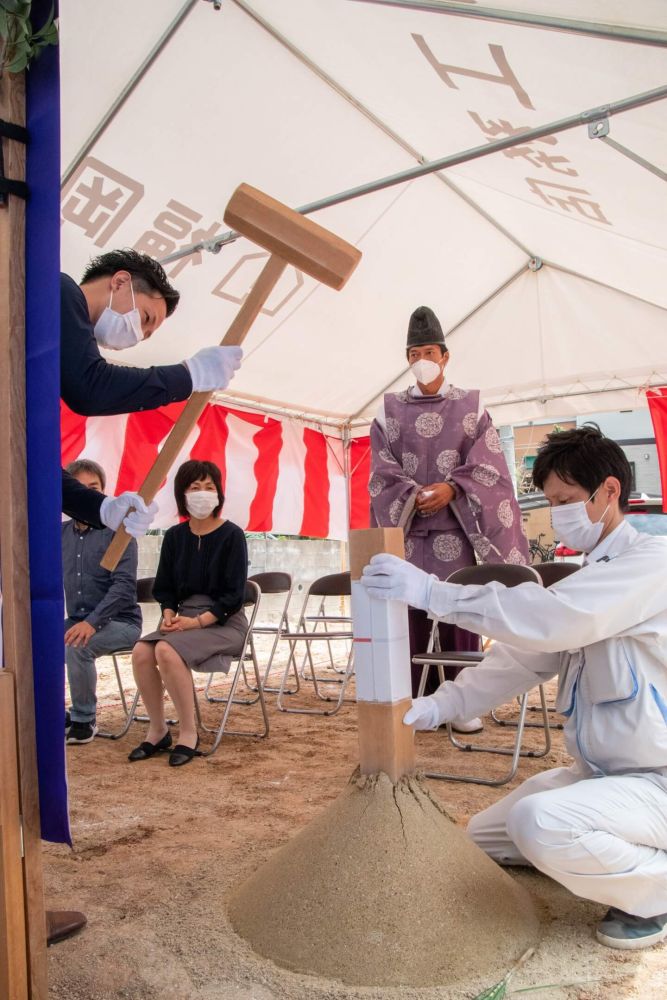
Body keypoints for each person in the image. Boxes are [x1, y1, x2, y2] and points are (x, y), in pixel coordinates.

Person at [361, 425, 667, 951]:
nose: (558, 513)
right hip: (600, 776)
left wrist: (436, 592)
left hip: (657, 780)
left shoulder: (652, 564)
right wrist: (440, 704)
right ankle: (609, 849)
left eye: (567, 500)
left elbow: (552, 619)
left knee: (539, 824)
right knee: (486, 837)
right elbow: (521, 660)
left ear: (610, 490)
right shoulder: (591, 576)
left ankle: (654, 894)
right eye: (551, 502)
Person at [370, 305, 528, 729]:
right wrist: (411, 494)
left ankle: (462, 705)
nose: (421, 360)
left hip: (456, 529)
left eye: (428, 351)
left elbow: (489, 466)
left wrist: (452, 487)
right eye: (413, 353)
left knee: (458, 609)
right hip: (408, 530)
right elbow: (382, 473)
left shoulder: (472, 407)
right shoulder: (387, 411)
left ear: (445, 355)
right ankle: (417, 700)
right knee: (409, 613)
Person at [129, 460, 248, 767]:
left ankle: (188, 733)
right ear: (182, 494)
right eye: (195, 487)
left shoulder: (232, 535)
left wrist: (197, 622)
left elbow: (234, 596)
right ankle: (158, 730)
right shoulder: (175, 537)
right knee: (142, 651)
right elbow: (165, 587)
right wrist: (169, 614)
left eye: (210, 487)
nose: (203, 493)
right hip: (184, 619)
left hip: (224, 622)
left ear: (219, 494)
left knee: (166, 651)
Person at [61, 247, 242, 416]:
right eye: (146, 318)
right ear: (120, 282)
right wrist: (190, 374)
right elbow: (91, 389)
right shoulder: (61, 290)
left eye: (144, 336)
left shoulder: (65, 344)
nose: (138, 334)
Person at [63, 460, 142, 745]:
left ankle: (85, 720)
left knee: (76, 645)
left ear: (103, 492)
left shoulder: (119, 534)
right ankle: (54, 712)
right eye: (80, 489)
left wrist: (92, 623)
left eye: (93, 489)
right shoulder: (59, 535)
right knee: (33, 643)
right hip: (76, 620)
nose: (87, 495)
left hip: (120, 623)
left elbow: (123, 588)